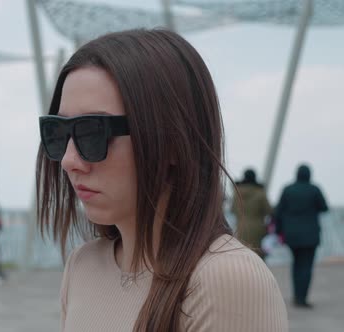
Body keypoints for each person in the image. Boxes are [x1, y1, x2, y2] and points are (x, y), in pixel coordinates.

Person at [36, 29, 287, 332]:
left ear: (172, 142)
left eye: (92, 132)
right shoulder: (83, 265)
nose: (68, 161)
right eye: (59, 133)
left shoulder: (226, 279)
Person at [274, 164, 328, 309]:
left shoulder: (288, 189)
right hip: (310, 235)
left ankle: (296, 296)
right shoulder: (314, 189)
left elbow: (278, 211)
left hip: (291, 235)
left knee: (296, 264)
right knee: (306, 266)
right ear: (309, 174)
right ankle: (302, 298)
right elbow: (324, 207)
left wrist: (278, 231)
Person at [231, 169, 273, 259]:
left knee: (242, 255)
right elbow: (269, 211)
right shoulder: (260, 193)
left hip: (241, 228)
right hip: (258, 229)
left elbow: (232, 210)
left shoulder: (237, 193)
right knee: (257, 257)